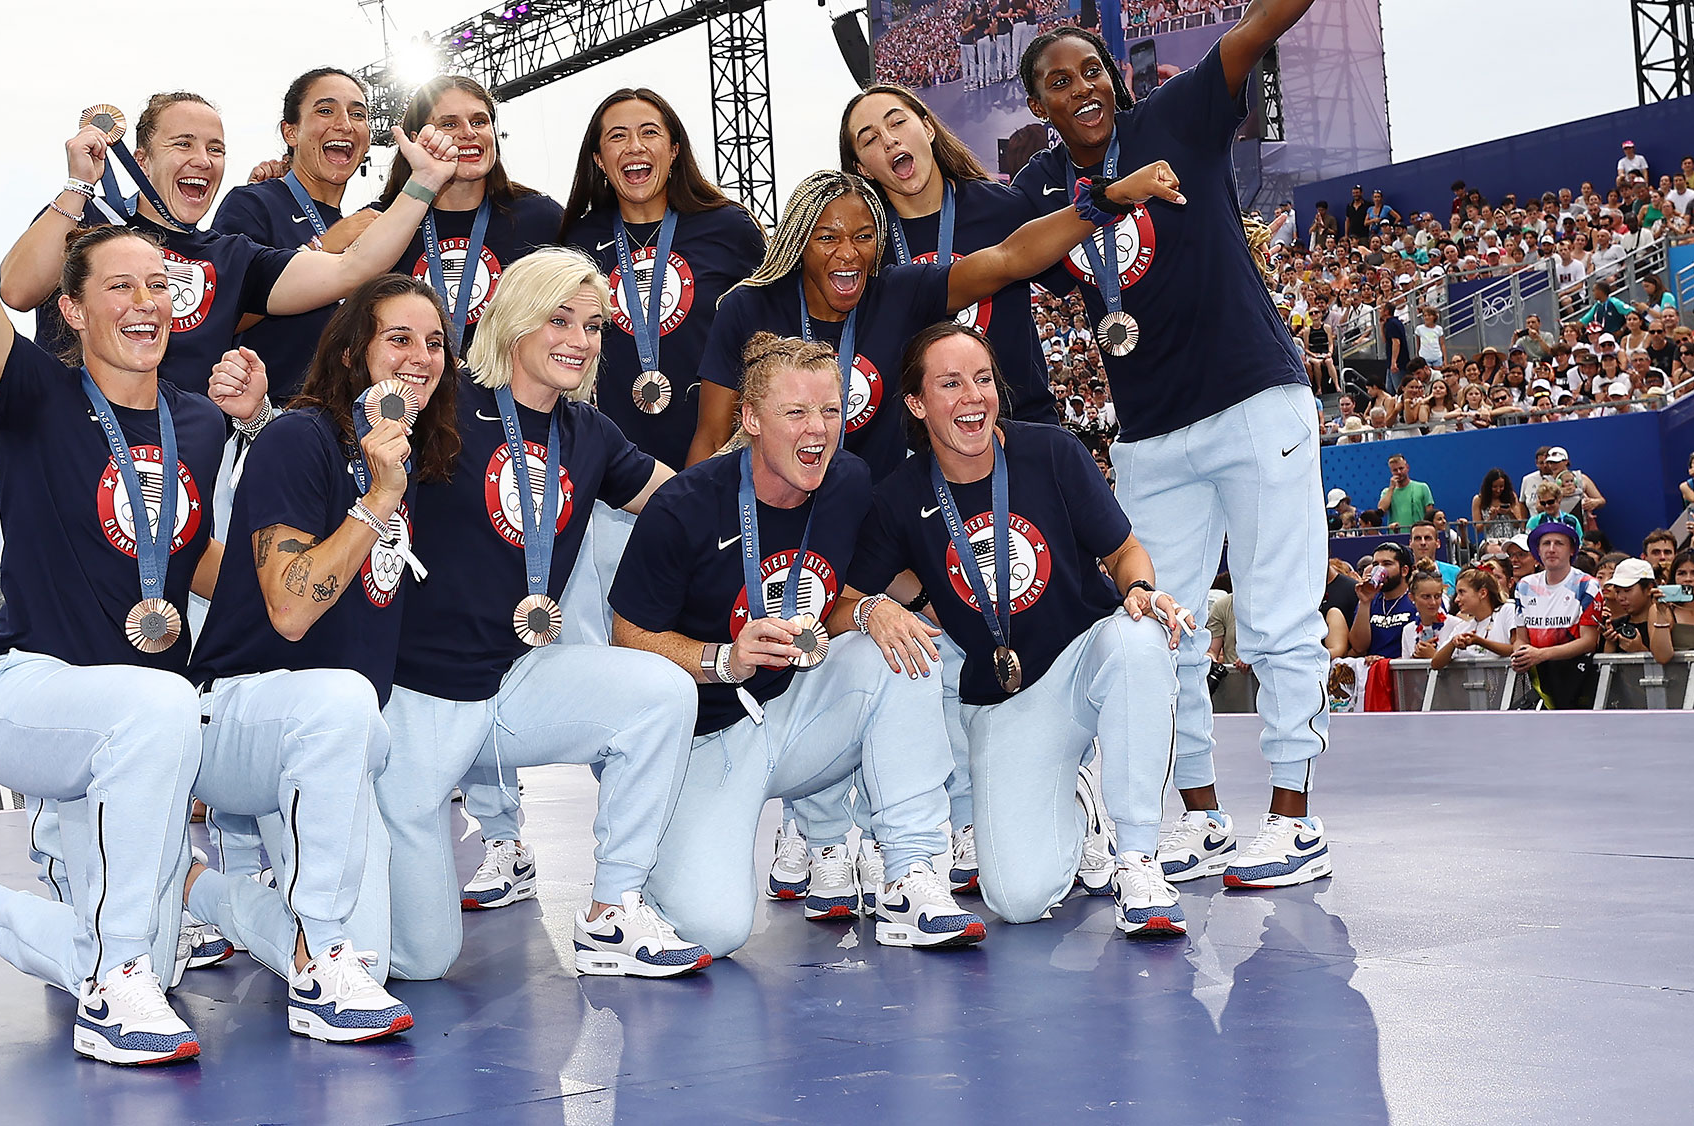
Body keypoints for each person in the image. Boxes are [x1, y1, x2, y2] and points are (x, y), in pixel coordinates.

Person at [1010, 0, 1396, 890]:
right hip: (1146, 434)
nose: (1080, 88)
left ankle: (1291, 815)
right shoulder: (1049, 188)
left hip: (1250, 398)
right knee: (1159, 631)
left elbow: (1261, 24)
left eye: (1090, 70)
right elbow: (991, 248)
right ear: (1038, 104)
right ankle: (1198, 817)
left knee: (1273, 615)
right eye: (1057, 81)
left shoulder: (1173, 117)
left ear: (1113, 75)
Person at [0, 19, 239, 1066]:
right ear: (75, 306)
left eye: (159, 287)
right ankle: (116, 987)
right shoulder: (37, 394)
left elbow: (197, 569)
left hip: (125, 710)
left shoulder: (199, 420)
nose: (145, 302)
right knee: (153, 706)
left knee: (134, 944)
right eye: (120, 287)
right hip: (24, 689)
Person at [381, 247, 710, 981]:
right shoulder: (443, 402)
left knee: (659, 692)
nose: (579, 339)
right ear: (513, 320)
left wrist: (771, 467)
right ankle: (233, 891)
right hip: (417, 699)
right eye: (560, 318)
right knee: (422, 960)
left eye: (593, 326)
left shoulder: (587, 433)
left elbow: (685, 503)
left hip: (516, 682)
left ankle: (611, 911)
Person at [617, 332, 985, 955]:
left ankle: (910, 875)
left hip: (792, 714)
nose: (818, 429)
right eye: (796, 412)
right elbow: (628, 639)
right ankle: (675, 856)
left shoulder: (846, 481)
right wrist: (720, 659)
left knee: (898, 646)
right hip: (704, 739)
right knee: (715, 930)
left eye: (831, 411)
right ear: (752, 420)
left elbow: (840, 596)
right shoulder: (684, 506)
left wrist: (874, 608)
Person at [182, 278, 467, 1043]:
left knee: (428, 954)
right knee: (360, 958)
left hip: (338, 736)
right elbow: (292, 608)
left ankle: (225, 885)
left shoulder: (414, 459)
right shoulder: (299, 439)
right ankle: (205, 891)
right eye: (399, 339)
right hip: (243, 717)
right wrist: (376, 500)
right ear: (351, 351)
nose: (421, 356)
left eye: (434, 341)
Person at [843, 323, 1189, 930]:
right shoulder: (898, 497)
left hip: (1083, 660)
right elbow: (844, 598)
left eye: (982, 380)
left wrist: (1139, 590)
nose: (972, 397)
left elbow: (1124, 551)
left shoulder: (1051, 452)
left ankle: (1138, 856)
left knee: (1138, 637)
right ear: (918, 404)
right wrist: (884, 607)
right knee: (1018, 900)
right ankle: (1075, 795)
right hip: (1004, 704)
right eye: (950, 384)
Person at [693, 167, 1183, 477]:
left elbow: (1008, 259)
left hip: (866, 515)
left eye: (864, 236)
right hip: (770, 509)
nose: (848, 253)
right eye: (827, 238)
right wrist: (690, 528)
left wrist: (1106, 200)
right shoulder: (751, 307)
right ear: (799, 242)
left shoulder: (899, 292)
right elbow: (713, 437)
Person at [0, 75, 459, 397]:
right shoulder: (88, 222)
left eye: (215, 148)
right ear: (140, 160)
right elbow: (16, 290)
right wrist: (78, 185)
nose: (203, 158)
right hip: (76, 450)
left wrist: (423, 183)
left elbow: (351, 268)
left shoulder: (232, 257)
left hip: (186, 464)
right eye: (183, 144)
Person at [559, 88, 766, 470]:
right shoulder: (577, 242)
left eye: (649, 132)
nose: (634, 146)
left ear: (673, 150)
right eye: (617, 136)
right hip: (608, 472)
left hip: (722, 457)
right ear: (599, 160)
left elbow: (771, 339)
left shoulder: (730, 228)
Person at [839, 84, 1057, 424]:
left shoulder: (1003, 208)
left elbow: (1078, 278)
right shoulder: (865, 248)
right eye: (869, 139)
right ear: (862, 168)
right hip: (919, 450)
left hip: (1020, 430)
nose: (888, 140)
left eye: (897, 123)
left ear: (927, 127)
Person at [212, 67, 374, 403]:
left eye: (357, 114)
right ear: (291, 131)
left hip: (345, 426)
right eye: (326, 110)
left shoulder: (367, 229)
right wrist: (326, 246)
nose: (344, 123)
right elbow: (226, 317)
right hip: (270, 423)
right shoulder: (254, 203)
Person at [382, 76, 566, 360]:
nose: (468, 133)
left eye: (479, 121)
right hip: (414, 398)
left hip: (510, 402)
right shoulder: (385, 223)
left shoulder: (541, 218)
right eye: (449, 123)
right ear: (416, 140)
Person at [1508, 522, 1602, 710]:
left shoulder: (1587, 585)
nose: (1551, 549)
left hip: (1577, 677)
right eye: (1546, 543)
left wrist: (1541, 654)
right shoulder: (1524, 586)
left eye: (1559, 543)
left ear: (1571, 550)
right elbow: (1520, 639)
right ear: (1538, 551)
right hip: (1539, 678)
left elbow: (1589, 641)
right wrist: (1520, 654)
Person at [1429, 568, 1517, 670]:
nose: (1457, 599)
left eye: (1462, 592)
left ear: (1482, 593)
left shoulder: (1507, 610)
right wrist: (1453, 643)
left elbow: (1516, 649)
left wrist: (1480, 642)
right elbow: (1435, 664)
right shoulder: (1462, 627)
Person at [1349, 543, 1418, 661]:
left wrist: (1387, 663)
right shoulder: (1370, 600)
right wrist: (1364, 603)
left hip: (1405, 671)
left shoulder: (1417, 599)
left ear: (1404, 570)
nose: (1379, 569)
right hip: (1375, 672)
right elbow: (1359, 647)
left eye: (1387, 564)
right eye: (1375, 564)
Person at [1377, 454, 1435, 532]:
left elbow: (1430, 514)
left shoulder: (1422, 487)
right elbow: (1381, 511)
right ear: (1391, 472)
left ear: (1407, 467)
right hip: (1396, 536)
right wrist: (1391, 488)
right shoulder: (1386, 492)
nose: (1399, 472)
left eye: (1401, 468)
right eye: (1395, 470)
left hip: (1419, 535)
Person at [1472, 468, 1526, 542]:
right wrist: (1490, 518)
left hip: (1511, 541)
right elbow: (1477, 529)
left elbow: (1519, 524)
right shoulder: (1478, 500)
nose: (1498, 490)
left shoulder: (1511, 496)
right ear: (1488, 486)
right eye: (1494, 487)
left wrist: (1510, 513)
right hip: (1492, 543)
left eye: (1501, 486)